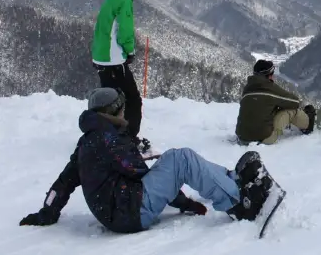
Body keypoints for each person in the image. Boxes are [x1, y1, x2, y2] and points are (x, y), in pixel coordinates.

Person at [19, 87, 278, 233]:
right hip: (130, 212)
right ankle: (239, 201)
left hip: (118, 211)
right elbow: (141, 173)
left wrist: (47, 212)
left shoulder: (89, 141)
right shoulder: (109, 140)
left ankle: (231, 180)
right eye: (121, 108)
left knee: (172, 159)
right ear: (115, 111)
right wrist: (184, 202)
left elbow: (62, 183)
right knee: (181, 159)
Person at [91, 0, 149, 153]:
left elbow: (100, 31)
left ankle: (103, 137)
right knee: (132, 99)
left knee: (108, 101)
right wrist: (130, 51)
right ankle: (129, 139)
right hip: (114, 60)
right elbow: (125, 32)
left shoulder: (110, 0)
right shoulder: (123, 1)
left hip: (102, 59)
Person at [235, 59, 315, 145]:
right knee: (291, 111)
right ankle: (307, 125)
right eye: (272, 74)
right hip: (264, 138)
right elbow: (294, 102)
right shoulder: (269, 87)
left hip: (242, 138)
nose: (273, 77)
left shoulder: (247, 88)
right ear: (268, 75)